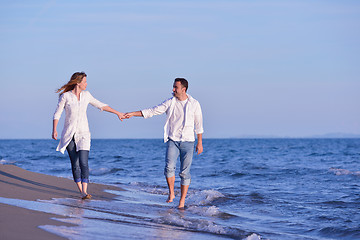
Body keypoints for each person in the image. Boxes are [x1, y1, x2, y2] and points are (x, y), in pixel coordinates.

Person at [125, 78, 204, 209]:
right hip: (173, 140)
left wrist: (199, 143)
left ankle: (182, 201)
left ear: (183, 89)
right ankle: (172, 193)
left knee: (185, 173)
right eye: (173, 87)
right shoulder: (170, 102)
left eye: (175, 87)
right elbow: (152, 111)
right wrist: (133, 113)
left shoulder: (194, 104)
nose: (173, 90)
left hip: (189, 141)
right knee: (169, 167)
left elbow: (199, 124)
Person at [52, 72, 125, 200]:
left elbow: (101, 105)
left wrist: (117, 113)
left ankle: (85, 191)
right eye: (84, 82)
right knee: (75, 163)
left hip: (84, 133)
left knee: (83, 162)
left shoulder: (86, 95)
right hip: (69, 134)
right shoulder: (65, 96)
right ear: (78, 82)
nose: (86, 84)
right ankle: (81, 191)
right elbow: (57, 114)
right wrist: (54, 130)